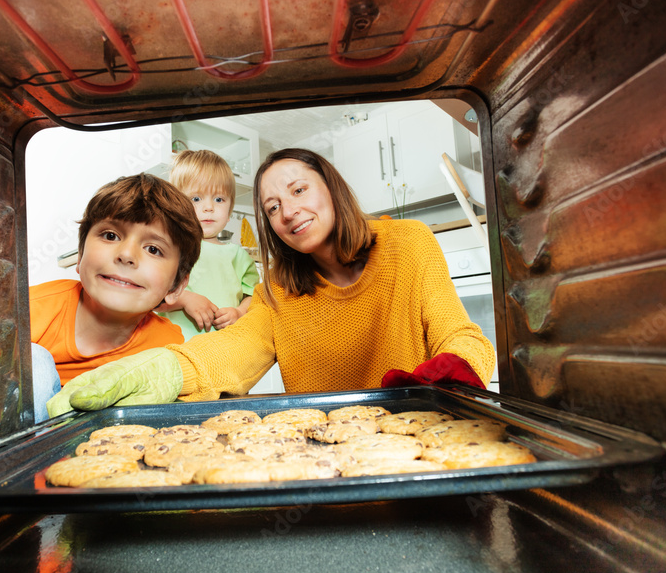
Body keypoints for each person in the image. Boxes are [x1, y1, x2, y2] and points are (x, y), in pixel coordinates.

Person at [46, 148, 495, 415]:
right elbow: (235, 349)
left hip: (417, 436)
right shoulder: (279, 287)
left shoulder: (409, 242)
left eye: (299, 190)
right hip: (323, 453)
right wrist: (166, 370)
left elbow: (458, 332)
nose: (288, 211)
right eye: (272, 207)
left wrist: (452, 372)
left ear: (331, 186)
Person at [29, 173, 203, 422]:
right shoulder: (28, 312)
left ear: (176, 286)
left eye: (153, 249)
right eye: (111, 236)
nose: (126, 254)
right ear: (79, 256)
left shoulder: (165, 346)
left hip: (97, 452)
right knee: (35, 362)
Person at [156, 149, 260, 340]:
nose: (209, 207)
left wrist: (239, 313)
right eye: (196, 199)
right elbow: (149, 297)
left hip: (223, 348)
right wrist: (185, 299)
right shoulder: (168, 249)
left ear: (229, 211)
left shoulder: (238, 256)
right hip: (175, 347)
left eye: (219, 199)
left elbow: (253, 299)